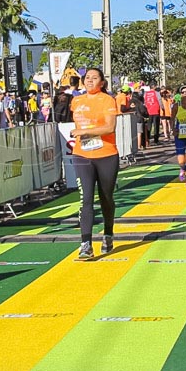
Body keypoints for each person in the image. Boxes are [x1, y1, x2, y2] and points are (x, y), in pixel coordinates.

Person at [69, 67, 120, 260]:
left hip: (106, 154)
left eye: (94, 78)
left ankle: (108, 233)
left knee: (106, 197)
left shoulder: (107, 100)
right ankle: (85, 244)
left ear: (102, 82)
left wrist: (85, 132)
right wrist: (80, 133)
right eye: (87, 78)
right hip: (82, 155)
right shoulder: (77, 101)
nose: (90, 80)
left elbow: (110, 126)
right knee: (86, 198)